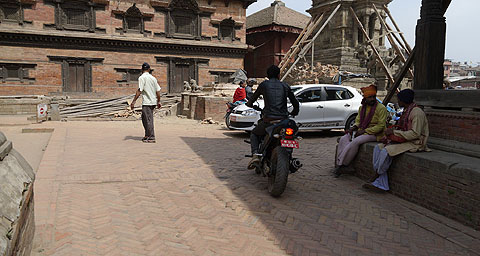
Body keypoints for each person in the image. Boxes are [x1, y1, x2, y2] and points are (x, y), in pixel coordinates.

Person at [363, 89, 430, 192]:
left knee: (386, 151)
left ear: (403, 100)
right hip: (404, 139)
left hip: (415, 142)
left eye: (399, 100)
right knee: (378, 148)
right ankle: (381, 183)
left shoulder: (417, 113)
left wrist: (394, 133)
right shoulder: (406, 110)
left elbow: (415, 133)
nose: (398, 102)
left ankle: (376, 176)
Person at [246, 65, 300, 169]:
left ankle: (256, 154)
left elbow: (252, 99)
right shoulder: (285, 86)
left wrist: (249, 104)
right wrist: (294, 112)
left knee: (254, 134)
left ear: (268, 75)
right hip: (284, 120)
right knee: (292, 135)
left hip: (269, 119)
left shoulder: (264, 85)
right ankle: (289, 157)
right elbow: (295, 103)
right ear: (279, 75)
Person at [335, 84, 388, 177]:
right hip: (362, 130)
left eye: (373, 97)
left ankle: (343, 164)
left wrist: (364, 131)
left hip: (376, 134)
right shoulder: (362, 108)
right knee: (344, 139)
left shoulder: (381, 108)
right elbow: (358, 121)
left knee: (356, 141)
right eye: (370, 97)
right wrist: (354, 127)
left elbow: (381, 126)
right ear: (365, 98)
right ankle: (339, 162)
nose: (372, 99)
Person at [130, 62, 161, 143]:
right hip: (153, 101)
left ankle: (151, 137)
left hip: (147, 102)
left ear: (141, 69)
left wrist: (133, 101)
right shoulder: (153, 78)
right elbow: (158, 91)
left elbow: (140, 90)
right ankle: (147, 135)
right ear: (149, 69)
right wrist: (159, 101)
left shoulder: (142, 78)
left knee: (148, 120)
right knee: (145, 119)